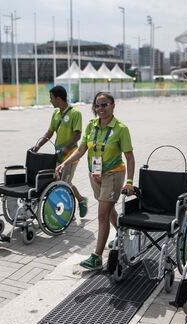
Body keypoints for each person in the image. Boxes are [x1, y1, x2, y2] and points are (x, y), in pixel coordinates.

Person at [56, 92, 135, 270]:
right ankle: (122, 232)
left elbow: (129, 157)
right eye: (97, 106)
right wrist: (65, 162)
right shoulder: (92, 126)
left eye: (104, 104)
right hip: (95, 174)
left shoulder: (121, 129)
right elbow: (82, 148)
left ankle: (97, 257)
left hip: (113, 175)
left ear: (113, 105)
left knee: (102, 215)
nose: (100, 109)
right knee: (107, 208)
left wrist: (129, 182)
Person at [31, 86, 88, 218]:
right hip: (58, 155)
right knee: (60, 181)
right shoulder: (56, 114)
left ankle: (67, 212)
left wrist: (67, 147)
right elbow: (50, 132)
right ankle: (81, 200)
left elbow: (77, 135)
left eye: (51, 98)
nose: (50, 101)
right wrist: (38, 145)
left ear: (58, 98)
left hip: (71, 155)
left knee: (64, 183)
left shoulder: (75, 113)